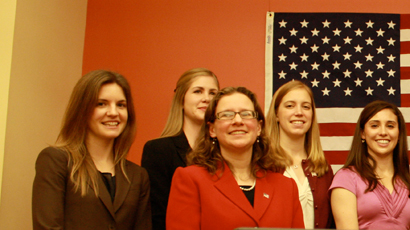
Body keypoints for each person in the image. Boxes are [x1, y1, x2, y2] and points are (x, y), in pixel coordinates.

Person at [166, 87, 303, 229]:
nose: (238, 120)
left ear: (258, 128)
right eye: (226, 115)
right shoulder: (191, 180)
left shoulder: (286, 186)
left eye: (246, 114)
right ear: (212, 129)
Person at [32, 70, 151, 229]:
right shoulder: (55, 160)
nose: (113, 113)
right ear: (82, 109)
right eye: (101, 104)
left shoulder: (138, 176)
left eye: (121, 105)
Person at [330, 100, 410, 230]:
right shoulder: (346, 179)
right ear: (362, 133)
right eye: (375, 125)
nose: (383, 132)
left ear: (399, 134)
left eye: (390, 126)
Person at [141, 68, 219, 230]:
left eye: (213, 93)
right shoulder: (158, 150)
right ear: (181, 99)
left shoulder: (226, 151)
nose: (206, 98)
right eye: (198, 91)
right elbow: (156, 215)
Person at [265, 80, 334, 229]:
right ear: (276, 114)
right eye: (290, 106)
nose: (299, 112)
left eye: (306, 107)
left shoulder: (323, 168)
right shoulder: (262, 164)